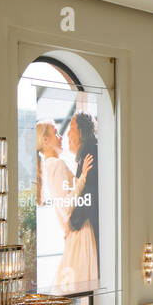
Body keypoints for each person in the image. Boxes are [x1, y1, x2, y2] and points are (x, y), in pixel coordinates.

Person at [38, 121, 96, 289]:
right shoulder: (56, 165)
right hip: (79, 231)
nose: (61, 137)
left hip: (73, 231)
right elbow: (66, 206)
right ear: (46, 140)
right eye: (56, 133)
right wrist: (84, 177)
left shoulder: (50, 166)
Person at [65, 112, 100, 279]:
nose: (68, 134)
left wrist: (73, 222)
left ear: (80, 132)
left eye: (71, 129)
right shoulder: (88, 152)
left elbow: (90, 193)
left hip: (91, 227)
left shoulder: (89, 153)